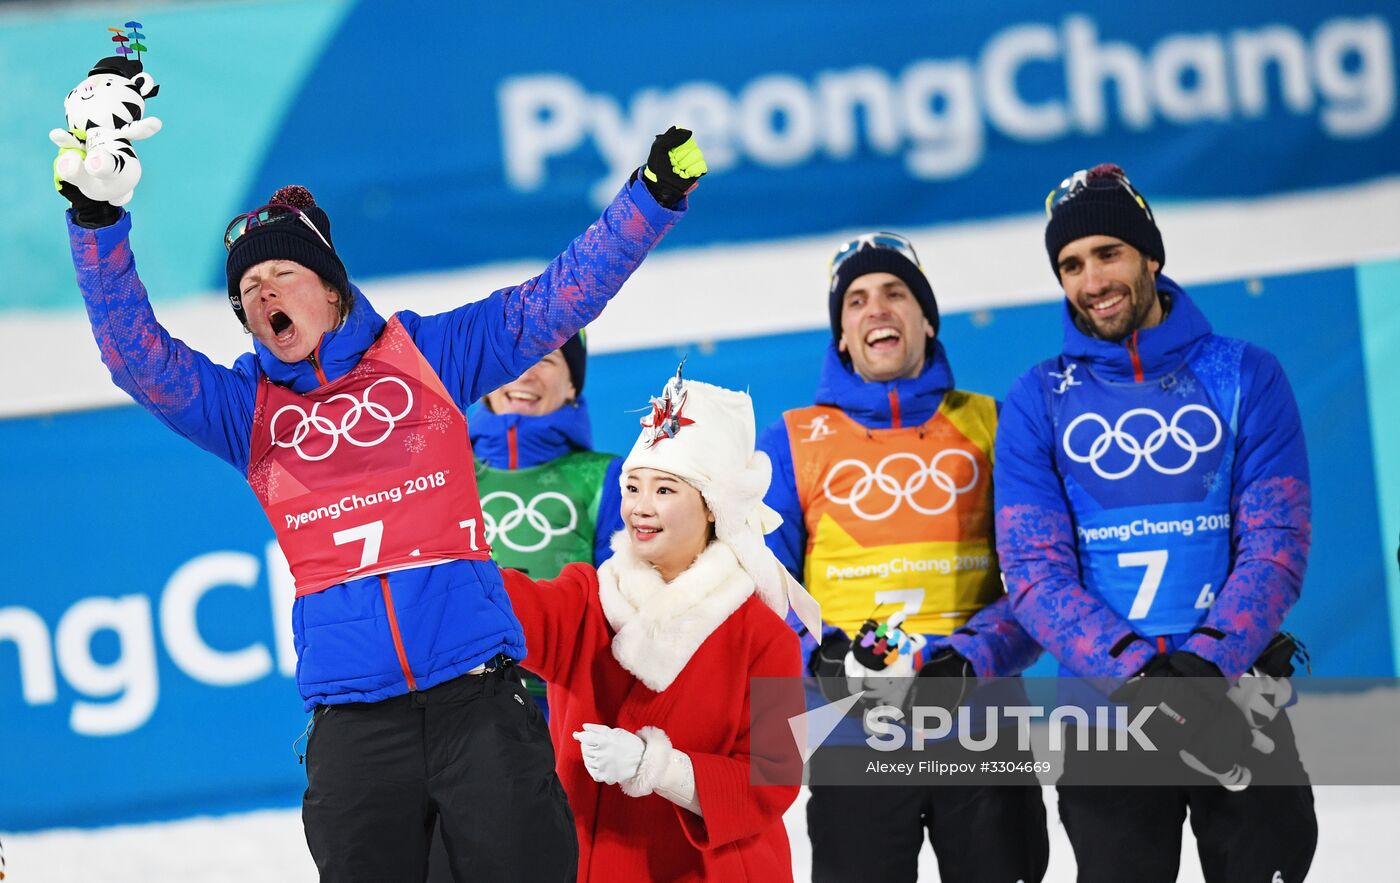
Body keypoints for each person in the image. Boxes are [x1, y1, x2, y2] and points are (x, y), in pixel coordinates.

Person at [58, 98, 706, 880]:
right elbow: (138, 357)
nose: (262, 294)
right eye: (248, 288)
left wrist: (650, 198)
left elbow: (555, 300)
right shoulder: (246, 411)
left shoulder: (425, 355)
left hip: (480, 704)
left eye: (280, 273)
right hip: (355, 730)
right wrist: (96, 219)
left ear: (330, 288)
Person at [994, 163, 1316, 881]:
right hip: (1108, 716)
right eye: (1071, 265)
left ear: (1151, 255)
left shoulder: (1245, 373)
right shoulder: (1037, 397)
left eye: (1108, 253)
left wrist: (1202, 666)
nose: (1091, 280)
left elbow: (1277, 543)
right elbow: (1033, 571)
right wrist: (1145, 678)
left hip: (1238, 696)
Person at [757, 233, 1048, 883]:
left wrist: (973, 657)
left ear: (927, 317)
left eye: (895, 292)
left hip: (980, 726)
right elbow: (762, 583)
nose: (876, 308)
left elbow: (1041, 578)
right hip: (855, 733)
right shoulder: (792, 439)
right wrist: (824, 658)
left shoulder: (994, 424)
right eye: (855, 300)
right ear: (841, 334)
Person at [499, 369, 817, 881]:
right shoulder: (587, 601)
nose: (640, 508)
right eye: (632, 486)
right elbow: (508, 608)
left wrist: (656, 767)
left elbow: (775, 778)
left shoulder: (768, 637)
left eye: (664, 489)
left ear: (713, 508)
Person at [426, 332, 620, 883]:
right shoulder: (442, 476)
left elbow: (623, 607)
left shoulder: (612, 478)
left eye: (548, 361)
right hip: (458, 718)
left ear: (573, 382)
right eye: (512, 361)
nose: (526, 375)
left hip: (565, 720)